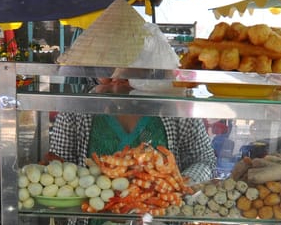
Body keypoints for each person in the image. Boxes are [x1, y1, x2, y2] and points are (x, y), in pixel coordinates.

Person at [48, 78, 216, 183]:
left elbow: (205, 160)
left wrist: (181, 184)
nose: (118, 75)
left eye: (129, 66)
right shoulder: (75, 111)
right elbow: (58, 165)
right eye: (108, 67)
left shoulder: (176, 108)